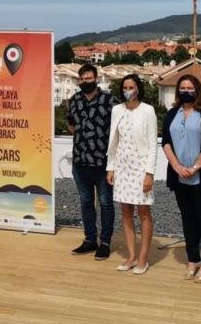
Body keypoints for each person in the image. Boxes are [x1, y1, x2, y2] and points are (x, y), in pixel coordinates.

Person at [162, 74, 201, 283]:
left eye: (190, 88)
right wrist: (177, 166)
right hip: (179, 176)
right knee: (187, 218)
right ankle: (192, 259)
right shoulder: (172, 114)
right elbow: (166, 142)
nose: (186, 91)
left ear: (197, 90)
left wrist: (195, 167)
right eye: (183, 87)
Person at [106, 74, 158, 275]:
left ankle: (143, 258)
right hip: (122, 166)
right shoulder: (117, 110)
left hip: (140, 167)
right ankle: (131, 256)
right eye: (125, 87)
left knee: (144, 212)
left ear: (138, 89)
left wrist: (149, 173)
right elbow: (114, 141)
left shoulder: (148, 111)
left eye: (132, 87)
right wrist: (110, 167)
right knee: (125, 212)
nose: (128, 90)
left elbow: (153, 145)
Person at [66, 63, 116, 260]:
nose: (85, 82)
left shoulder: (109, 100)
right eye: (82, 79)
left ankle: (105, 243)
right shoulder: (74, 99)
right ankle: (89, 240)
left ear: (96, 78)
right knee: (86, 202)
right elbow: (70, 123)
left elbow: (119, 127)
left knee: (105, 203)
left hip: (103, 163)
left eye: (89, 78)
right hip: (80, 162)